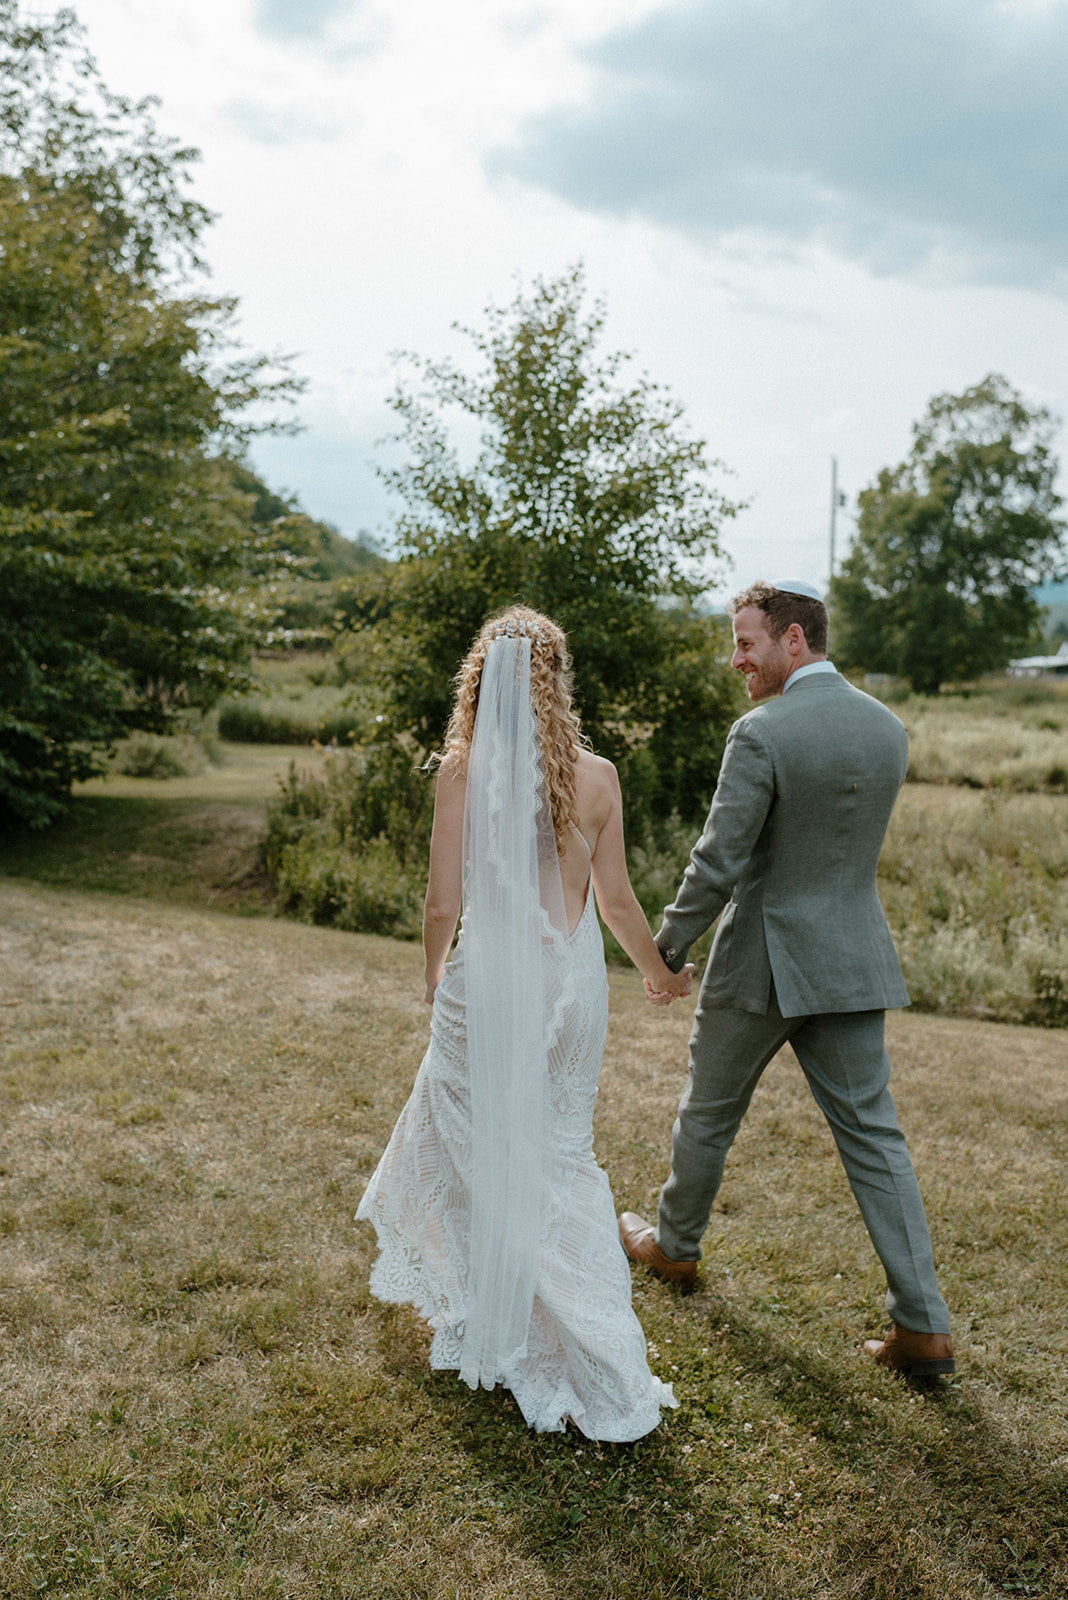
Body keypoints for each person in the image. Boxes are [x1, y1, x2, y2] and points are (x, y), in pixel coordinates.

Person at [357, 606, 690, 1438]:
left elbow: (442, 901)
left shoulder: (464, 773)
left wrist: (435, 973)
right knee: (563, 1157)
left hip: (489, 988)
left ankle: (501, 1315)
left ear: (481, 680)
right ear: (555, 679)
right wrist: (659, 974)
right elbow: (614, 901)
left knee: (472, 1140)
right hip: (573, 988)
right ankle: (598, 1353)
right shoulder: (601, 776)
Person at [619, 580, 955, 1378]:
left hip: (763, 963)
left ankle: (673, 1247)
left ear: (793, 641)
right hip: (851, 960)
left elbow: (719, 859)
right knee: (876, 1140)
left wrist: (666, 948)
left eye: (746, 642)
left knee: (708, 1111)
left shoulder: (760, 731)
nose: (735, 659)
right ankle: (926, 1326)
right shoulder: (888, 729)